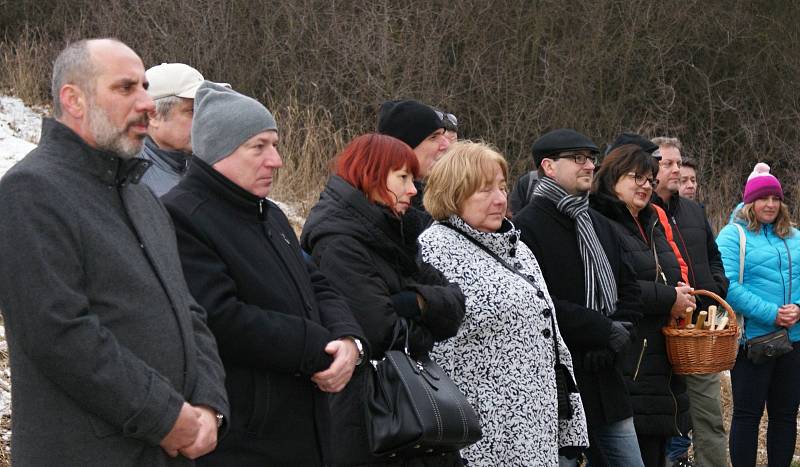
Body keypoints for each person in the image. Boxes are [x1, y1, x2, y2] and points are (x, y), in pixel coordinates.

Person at [0, 38, 228, 466]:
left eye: (145, 86)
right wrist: (167, 417)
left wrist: (210, 406)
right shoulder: (30, 192)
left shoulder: (141, 197)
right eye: (126, 89)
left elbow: (190, 311)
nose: (146, 103)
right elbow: (60, 334)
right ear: (74, 99)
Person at [162, 82, 366, 466]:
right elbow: (218, 317)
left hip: (306, 427)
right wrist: (315, 348)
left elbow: (316, 282)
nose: (276, 160)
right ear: (219, 149)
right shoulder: (181, 216)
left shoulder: (268, 214)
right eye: (259, 147)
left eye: (275, 144)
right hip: (244, 438)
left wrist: (349, 339)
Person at [417, 141, 589, 466]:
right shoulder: (434, 250)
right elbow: (434, 351)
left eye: (502, 187)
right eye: (485, 190)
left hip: (535, 426)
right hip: (480, 433)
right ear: (453, 193)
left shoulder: (516, 247)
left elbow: (548, 333)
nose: (500, 199)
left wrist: (568, 416)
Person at [300, 133, 466, 466]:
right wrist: (425, 330)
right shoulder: (339, 242)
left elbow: (456, 303)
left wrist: (415, 303)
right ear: (371, 174)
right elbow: (378, 331)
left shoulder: (393, 231)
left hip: (406, 412)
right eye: (403, 178)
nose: (413, 190)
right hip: (373, 421)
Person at [514, 129, 645, 467]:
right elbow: (538, 301)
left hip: (607, 378)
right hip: (561, 384)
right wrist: (601, 330)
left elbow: (630, 287)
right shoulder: (526, 227)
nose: (589, 165)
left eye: (590, 158)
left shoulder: (599, 224)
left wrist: (618, 335)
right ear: (548, 166)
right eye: (577, 158)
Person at [589, 144, 693, 467]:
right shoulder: (600, 222)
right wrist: (670, 299)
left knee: (657, 454)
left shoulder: (650, 221)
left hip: (660, 362)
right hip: (629, 363)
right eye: (636, 177)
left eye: (649, 178)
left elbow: (671, 273)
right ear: (612, 179)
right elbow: (616, 287)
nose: (646, 185)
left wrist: (683, 295)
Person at [651, 137, 729, 467]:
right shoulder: (641, 213)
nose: (675, 169)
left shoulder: (694, 211)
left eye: (678, 162)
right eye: (667, 163)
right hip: (659, 333)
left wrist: (717, 287)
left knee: (709, 417)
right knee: (665, 423)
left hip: (700, 335)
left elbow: (713, 256)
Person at [716, 163, 800, 467]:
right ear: (750, 202)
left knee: (785, 415)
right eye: (763, 198)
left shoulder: (795, 236)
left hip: (794, 341)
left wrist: (797, 309)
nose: (770, 204)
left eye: (775, 198)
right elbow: (726, 285)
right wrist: (772, 313)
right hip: (752, 341)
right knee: (748, 416)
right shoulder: (732, 236)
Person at [139, 63, 226, 196]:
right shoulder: (132, 180)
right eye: (192, 111)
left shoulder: (210, 164)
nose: (203, 119)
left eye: (203, 108)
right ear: (154, 116)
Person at [378, 99, 451, 229]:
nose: (446, 145)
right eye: (434, 137)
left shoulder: (443, 197)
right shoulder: (390, 213)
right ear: (404, 147)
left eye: (443, 135)